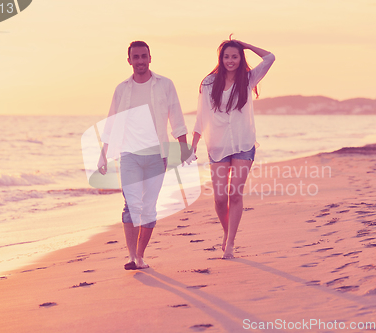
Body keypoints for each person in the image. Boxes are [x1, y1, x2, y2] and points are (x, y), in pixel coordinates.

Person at [98, 41, 192, 270]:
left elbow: (177, 118)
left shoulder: (165, 85)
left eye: (143, 56)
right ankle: (131, 257)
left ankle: (140, 256)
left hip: (156, 155)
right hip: (129, 154)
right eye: (135, 57)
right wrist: (103, 154)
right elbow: (112, 121)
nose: (140, 61)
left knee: (149, 206)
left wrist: (183, 149)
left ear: (150, 58)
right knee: (130, 205)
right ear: (129, 60)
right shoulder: (122, 89)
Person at [192, 38, 275, 259]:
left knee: (234, 193)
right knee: (220, 198)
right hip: (217, 146)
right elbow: (201, 117)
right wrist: (193, 144)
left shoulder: (248, 79)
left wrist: (246, 45)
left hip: (243, 144)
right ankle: (227, 232)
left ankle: (230, 243)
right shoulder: (209, 83)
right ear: (221, 58)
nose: (231, 61)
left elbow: (270, 57)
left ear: (241, 58)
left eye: (235, 56)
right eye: (227, 56)